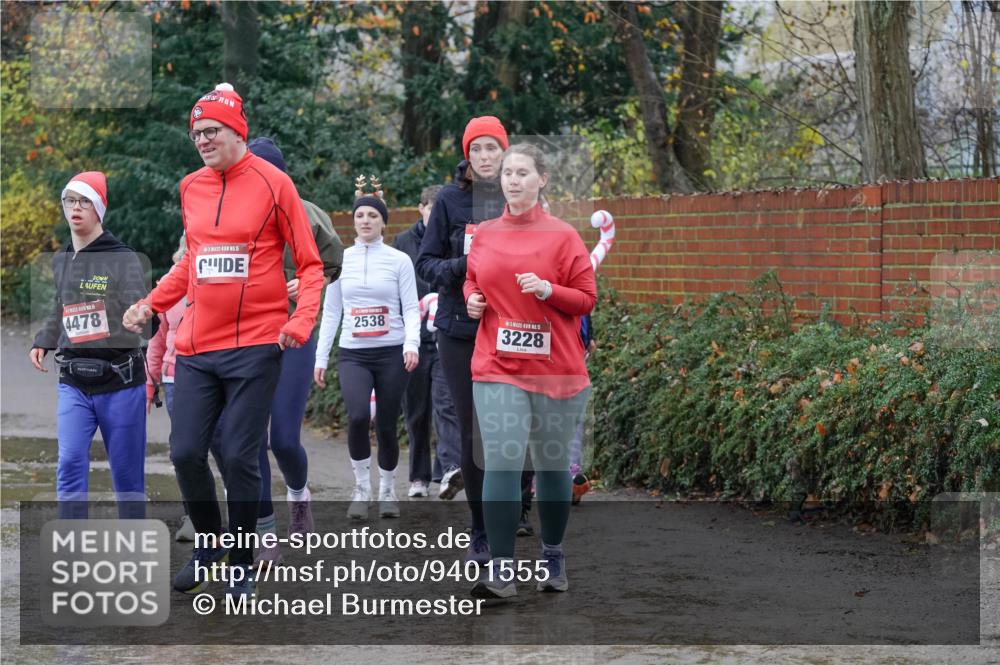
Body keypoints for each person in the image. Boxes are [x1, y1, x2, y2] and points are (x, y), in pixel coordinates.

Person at [123, 83, 325, 598]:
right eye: (196, 134)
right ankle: (209, 548)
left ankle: (241, 560)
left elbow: (311, 263)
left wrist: (300, 321)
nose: (202, 141)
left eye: (211, 131)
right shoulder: (191, 186)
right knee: (187, 451)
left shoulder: (275, 184)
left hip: (257, 344)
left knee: (238, 456)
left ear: (238, 130)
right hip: (194, 347)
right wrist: (153, 302)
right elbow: (192, 261)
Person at [463, 143, 596, 598]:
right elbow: (472, 278)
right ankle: (501, 571)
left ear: (542, 180)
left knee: (553, 468)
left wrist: (548, 290)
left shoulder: (563, 237)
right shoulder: (484, 233)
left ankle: (553, 553)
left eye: (522, 172)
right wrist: (471, 299)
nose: (513, 180)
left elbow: (586, 299)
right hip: (497, 364)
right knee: (501, 460)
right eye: (507, 173)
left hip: (556, 368)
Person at [237, 137, 344, 563]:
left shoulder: (306, 212)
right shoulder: (229, 212)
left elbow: (333, 263)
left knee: (283, 438)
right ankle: (264, 530)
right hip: (245, 338)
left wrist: (311, 281)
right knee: (250, 440)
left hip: (294, 335)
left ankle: (299, 496)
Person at [30, 171, 153, 519]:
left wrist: (142, 316)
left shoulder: (122, 258)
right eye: (70, 200)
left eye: (85, 201)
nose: (76, 208)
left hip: (120, 383)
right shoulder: (61, 259)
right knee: (69, 462)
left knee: (127, 478)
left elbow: (143, 311)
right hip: (74, 382)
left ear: (99, 209)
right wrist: (45, 339)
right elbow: (62, 308)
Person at [415, 116, 509, 564]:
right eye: (478, 149)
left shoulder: (520, 198)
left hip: (513, 331)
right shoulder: (451, 200)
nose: (486, 157)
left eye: (493, 148)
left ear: (505, 152)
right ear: (467, 156)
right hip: (460, 331)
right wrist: (462, 270)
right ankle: (480, 530)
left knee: (508, 430)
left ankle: (515, 507)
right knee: (474, 432)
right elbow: (426, 263)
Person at [314, 178, 420, 520]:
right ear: (354, 221)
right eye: (360, 215)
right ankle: (361, 488)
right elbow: (331, 312)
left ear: (383, 222)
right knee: (358, 417)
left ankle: (388, 489)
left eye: (372, 215)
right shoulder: (340, 261)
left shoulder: (399, 260)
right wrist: (320, 357)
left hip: (391, 352)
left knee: (387, 424)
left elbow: (412, 307)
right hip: (353, 354)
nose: (365, 221)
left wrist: (412, 344)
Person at [391, 185, 462, 500]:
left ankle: (448, 470)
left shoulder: (453, 240)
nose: (436, 217)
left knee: (446, 406)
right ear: (420, 208)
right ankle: (419, 477)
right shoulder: (402, 243)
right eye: (431, 210)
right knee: (417, 411)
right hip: (412, 339)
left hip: (444, 335)